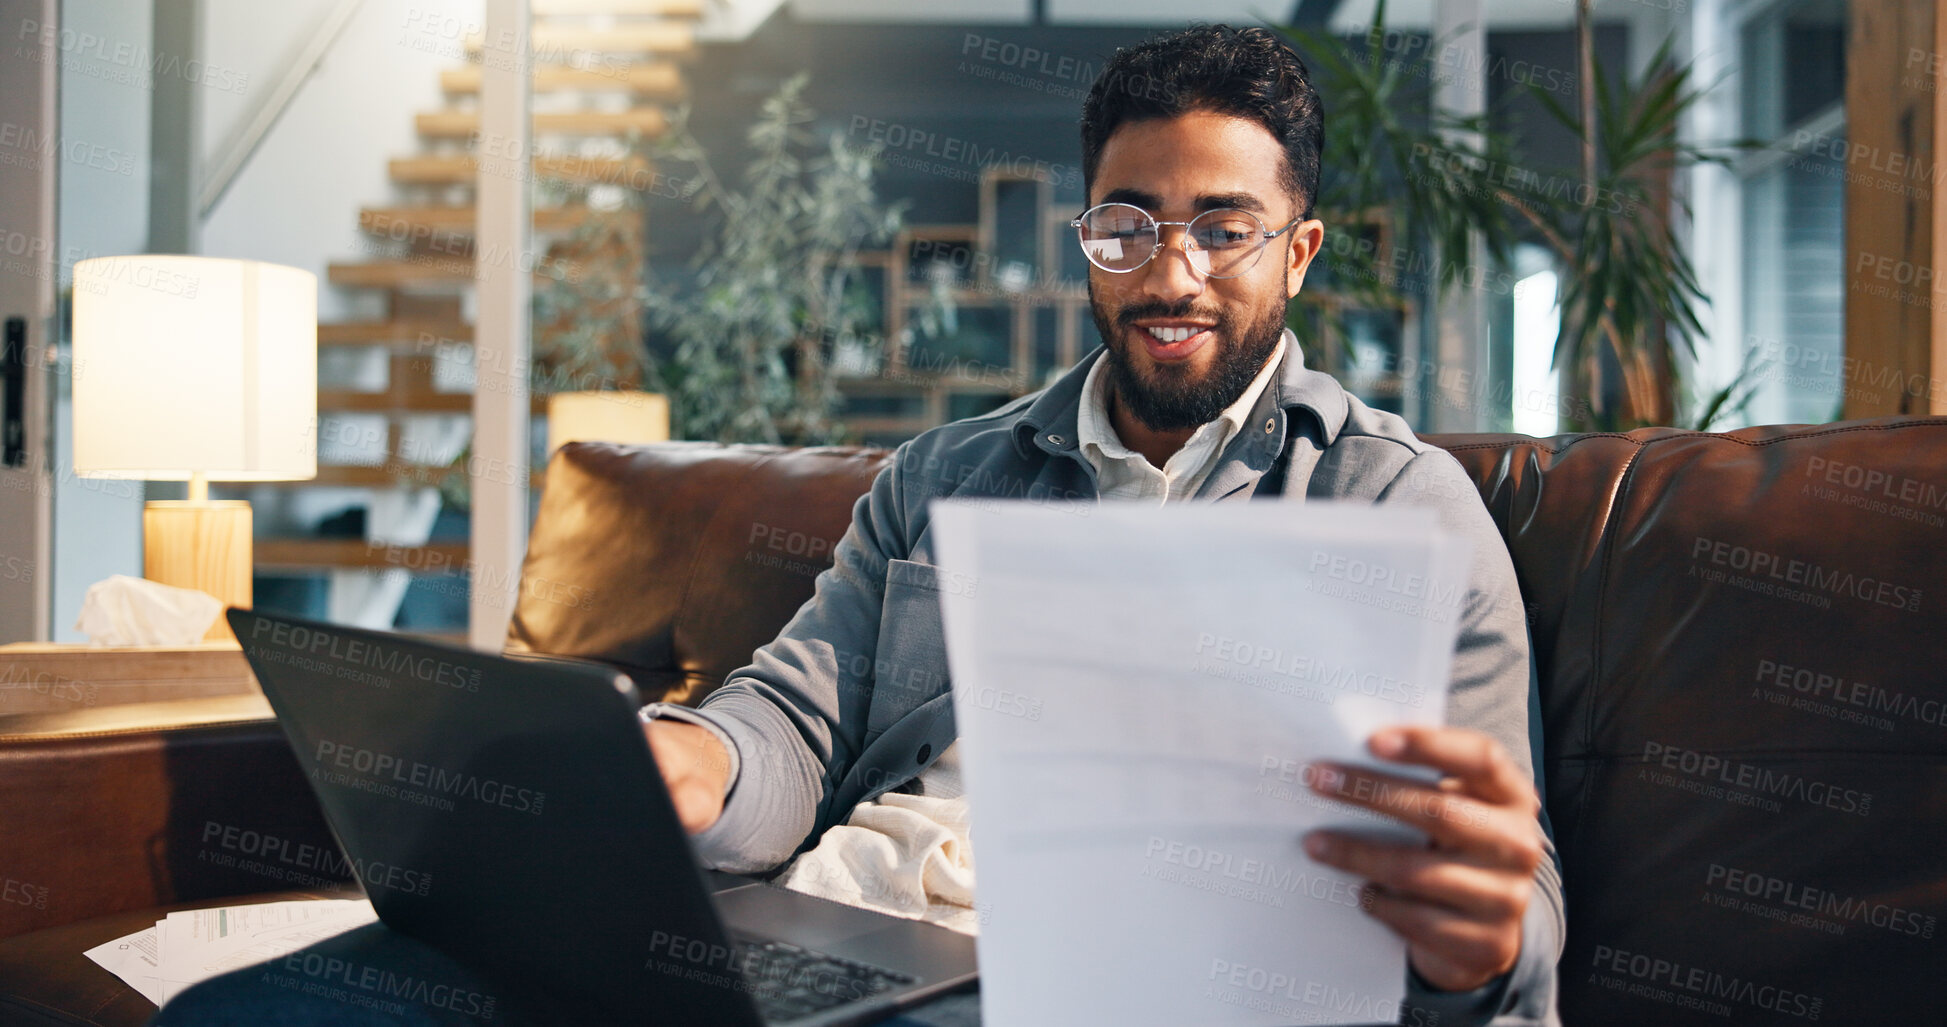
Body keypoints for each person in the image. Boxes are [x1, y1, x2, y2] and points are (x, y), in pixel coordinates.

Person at [643, 23, 1563, 1027]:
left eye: (1223, 229)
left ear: (1297, 255)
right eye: (1129, 226)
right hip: (853, 939)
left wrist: (1478, 944)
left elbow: (1509, 892)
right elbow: (798, 723)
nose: (1170, 279)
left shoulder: (1401, 508)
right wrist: (695, 762)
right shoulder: (941, 478)